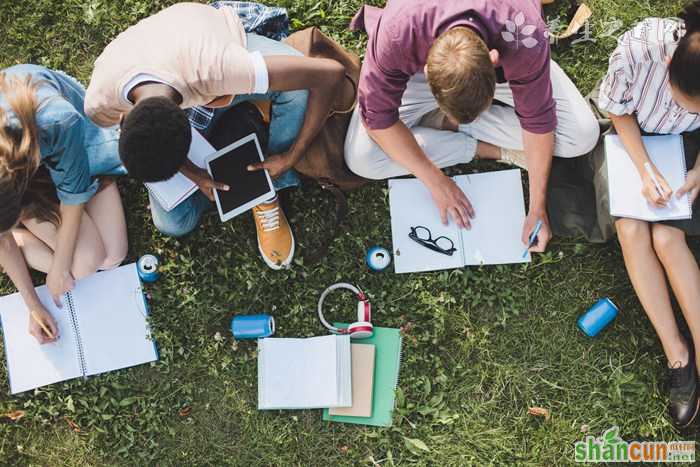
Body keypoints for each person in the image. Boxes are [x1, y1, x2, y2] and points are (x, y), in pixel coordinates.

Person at [85, 2, 344, 270]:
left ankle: (270, 185)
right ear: (123, 118)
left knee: (296, 94)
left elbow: (329, 74)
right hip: (168, 59)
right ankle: (242, 141)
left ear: (191, 130)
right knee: (173, 222)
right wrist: (193, 174)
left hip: (211, 42)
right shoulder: (99, 103)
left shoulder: (219, 69)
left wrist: (292, 156)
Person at [344, 0, 599, 254]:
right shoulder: (397, 30)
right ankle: (481, 144)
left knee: (581, 136)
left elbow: (539, 120)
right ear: (425, 69)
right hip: (418, 66)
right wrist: (435, 181)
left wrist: (537, 208)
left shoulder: (525, 32)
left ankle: (438, 125)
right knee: (362, 158)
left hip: (515, 49)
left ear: (494, 59)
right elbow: (376, 119)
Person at [598, 3, 700, 427]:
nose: (689, 110)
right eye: (685, 101)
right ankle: (677, 353)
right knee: (631, 228)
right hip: (635, 139)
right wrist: (644, 167)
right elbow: (617, 109)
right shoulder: (639, 49)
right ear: (670, 62)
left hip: (690, 151)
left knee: (667, 238)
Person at [0, 65, 128, 344]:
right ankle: (23, 238)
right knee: (87, 263)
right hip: (32, 172)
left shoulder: (57, 122)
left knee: (110, 257)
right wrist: (33, 304)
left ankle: (28, 236)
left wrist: (58, 267)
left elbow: (73, 195)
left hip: (69, 149)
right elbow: (2, 241)